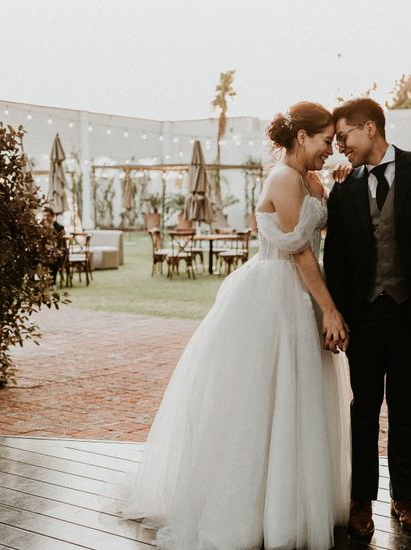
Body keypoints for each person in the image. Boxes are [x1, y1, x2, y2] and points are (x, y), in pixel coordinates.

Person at [104, 101, 351, 549]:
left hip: (302, 295)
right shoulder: (283, 178)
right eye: (325, 141)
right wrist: (330, 309)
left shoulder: (312, 179)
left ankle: (293, 499)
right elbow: (300, 251)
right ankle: (255, 510)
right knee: (263, 400)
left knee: (298, 397)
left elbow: (318, 234)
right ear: (301, 137)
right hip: (276, 294)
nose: (330, 149)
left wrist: (332, 187)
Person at [324, 98, 411, 540]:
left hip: (410, 315)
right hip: (363, 318)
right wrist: (338, 317)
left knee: (405, 407)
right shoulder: (344, 186)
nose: (339, 147)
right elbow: (337, 259)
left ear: (369, 128)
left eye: (343, 136)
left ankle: (405, 500)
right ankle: (361, 500)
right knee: (362, 409)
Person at [41, 206, 66, 285]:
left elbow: (61, 243)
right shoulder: (41, 227)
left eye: (48, 215)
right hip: (44, 251)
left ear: (52, 216)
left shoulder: (60, 227)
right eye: (44, 216)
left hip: (57, 251)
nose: (46, 218)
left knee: (54, 257)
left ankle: (52, 283)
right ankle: (37, 282)